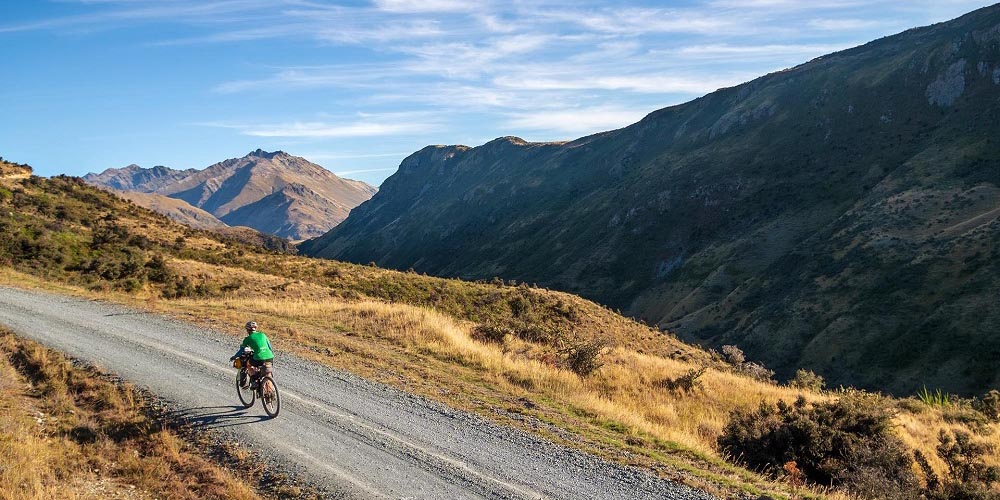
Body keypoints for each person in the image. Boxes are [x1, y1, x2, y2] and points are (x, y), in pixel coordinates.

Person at [230, 320, 275, 388]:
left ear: (247, 330)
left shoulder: (248, 338)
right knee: (268, 373)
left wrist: (235, 356)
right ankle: (271, 393)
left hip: (259, 358)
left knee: (249, 364)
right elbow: (269, 347)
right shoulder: (263, 334)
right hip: (270, 357)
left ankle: (254, 381)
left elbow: (241, 350)